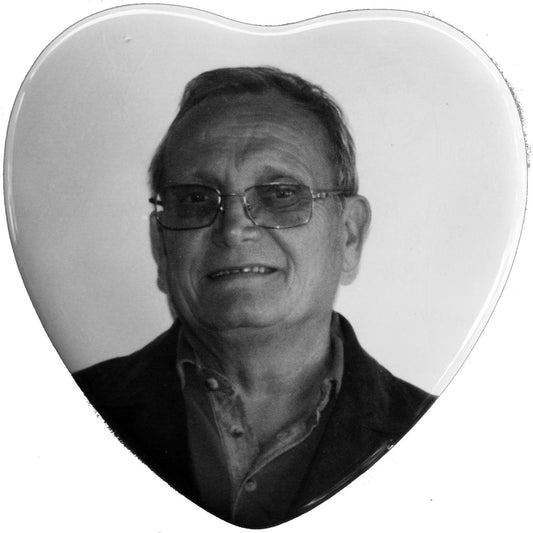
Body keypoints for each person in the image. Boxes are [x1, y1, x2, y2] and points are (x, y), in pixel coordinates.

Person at [74, 66, 435, 528]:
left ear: (348, 236)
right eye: (195, 199)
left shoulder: (449, 440)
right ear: (162, 247)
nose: (234, 228)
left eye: (280, 194)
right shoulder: (50, 414)